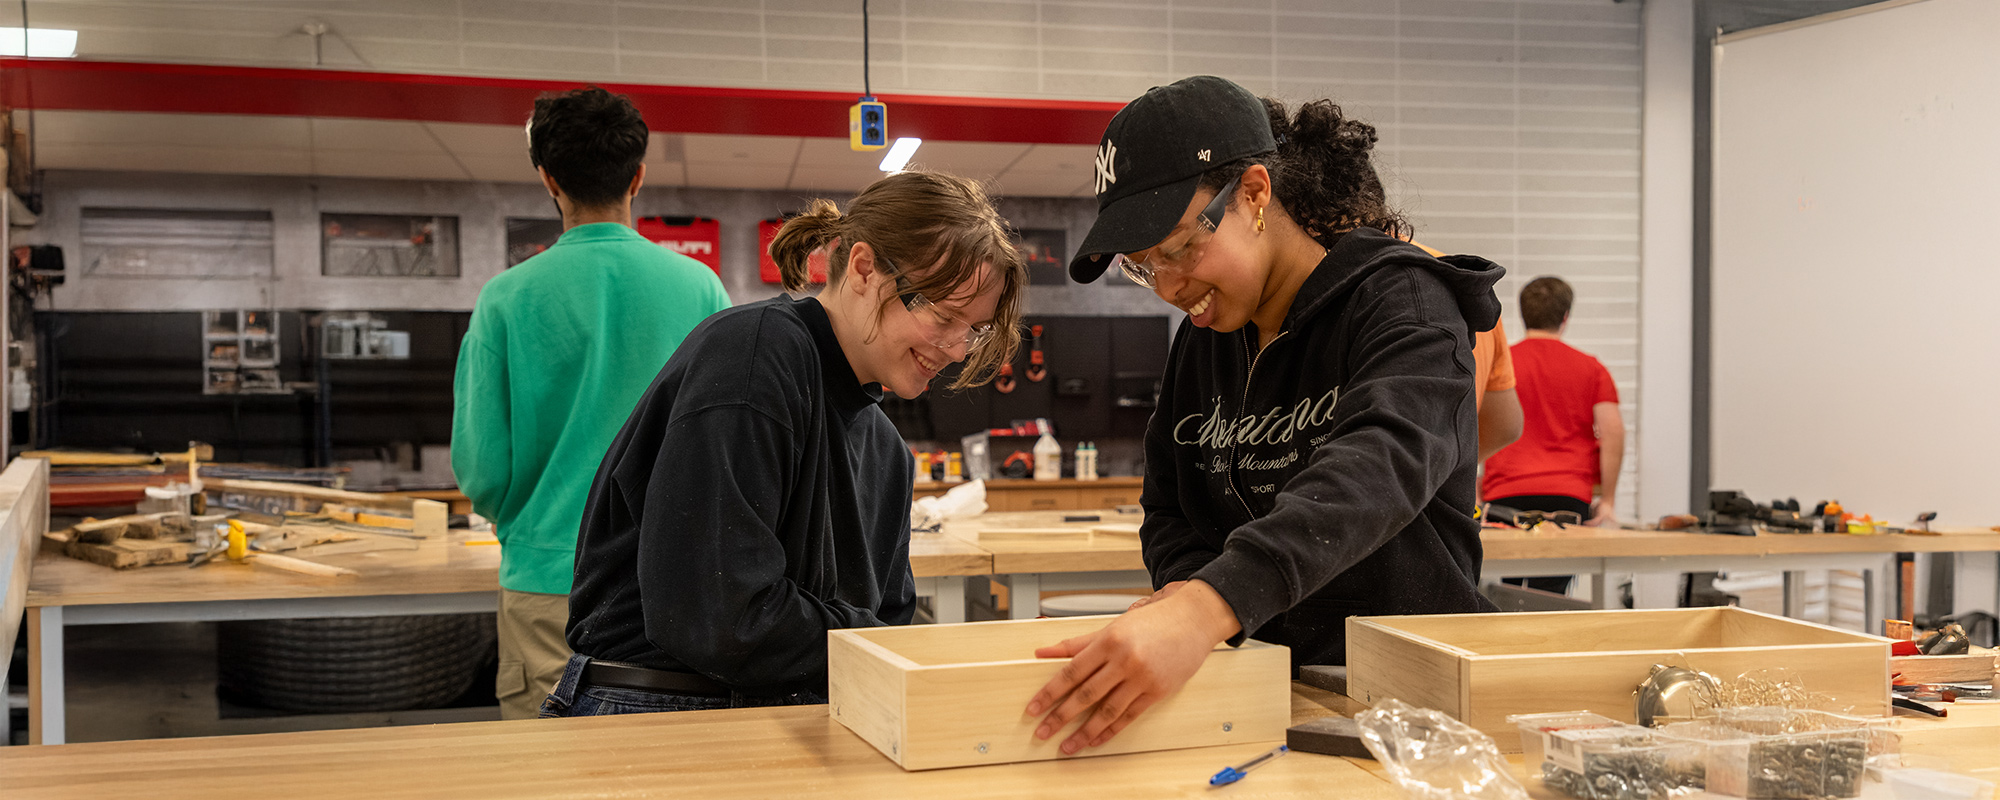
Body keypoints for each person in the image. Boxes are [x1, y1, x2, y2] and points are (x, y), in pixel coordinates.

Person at [1028, 76, 1505, 755]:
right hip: (1262, 692)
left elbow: (1377, 469)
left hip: (1411, 708)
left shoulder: (1406, 304)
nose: (1168, 287)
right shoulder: (1206, 337)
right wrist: (1190, 591)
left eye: (1179, 248)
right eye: (1142, 268)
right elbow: (1171, 506)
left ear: (1254, 194)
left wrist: (1207, 607)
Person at [544, 170, 1027, 718]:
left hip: (792, 702)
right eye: (944, 316)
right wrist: (869, 642)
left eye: (975, 329)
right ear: (864, 269)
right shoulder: (754, 355)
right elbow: (718, 617)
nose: (960, 349)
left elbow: (884, 624)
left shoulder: (887, 453)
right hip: (656, 701)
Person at [451, 86, 731, 720]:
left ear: (549, 180)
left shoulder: (505, 299)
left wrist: (533, 532)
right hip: (677, 589)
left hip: (551, 585)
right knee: (673, 773)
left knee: (546, 775)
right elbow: (730, 448)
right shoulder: (701, 288)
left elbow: (481, 469)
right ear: (637, 178)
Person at [1481, 276, 1625, 527]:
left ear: (1524, 313)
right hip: (1568, 495)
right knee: (1564, 566)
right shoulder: (1591, 368)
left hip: (1506, 494)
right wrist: (1609, 500)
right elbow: (1613, 432)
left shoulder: (1501, 363)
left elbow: (1473, 421)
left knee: (1512, 567)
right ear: (1565, 316)